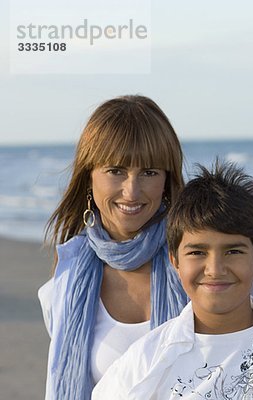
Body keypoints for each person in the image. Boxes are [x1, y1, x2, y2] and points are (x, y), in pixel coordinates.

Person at [91, 161, 253, 399]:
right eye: (197, 252)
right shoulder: (146, 361)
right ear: (175, 261)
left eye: (233, 251)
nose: (215, 269)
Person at [38, 95, 188, 400]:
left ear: (167, 179)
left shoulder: (195, 260)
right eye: (116, 170)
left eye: (149, 172)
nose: (132, 191)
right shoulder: (68, 271)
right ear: (89, 175)